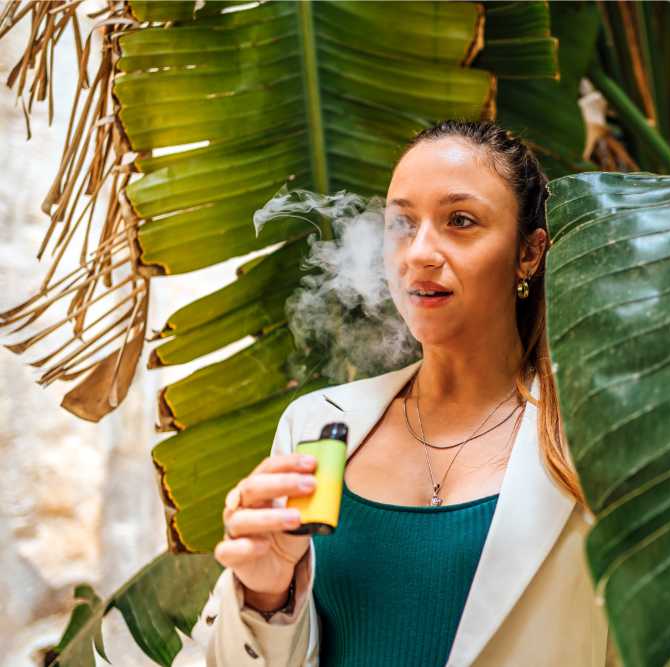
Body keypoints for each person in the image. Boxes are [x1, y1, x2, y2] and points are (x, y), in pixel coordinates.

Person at [193, 119, 616, 666]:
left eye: (460, 221)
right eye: (401, 223)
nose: (418, 253)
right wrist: (264, 596)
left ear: (529, 254)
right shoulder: (317, 425)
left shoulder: (590, 435)